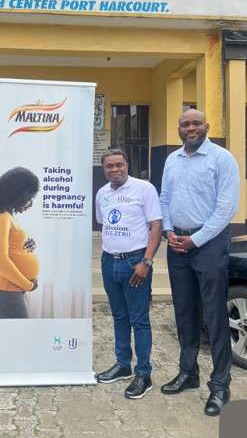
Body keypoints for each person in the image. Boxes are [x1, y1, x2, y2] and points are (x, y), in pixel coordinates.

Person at [160, 108, 240, 416]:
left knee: (214, 314)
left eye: (196, 123)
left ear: (206, 126)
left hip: (208, 244)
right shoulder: (172, 159)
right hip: (177, 244)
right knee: (184, 311)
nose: (190, 127)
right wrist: (169, 230)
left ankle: (220, 385)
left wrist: (197, 239)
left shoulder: (222, 159)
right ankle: (188, 372)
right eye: (185, 124)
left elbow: (226, 207)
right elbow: (165, 198)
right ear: (179, 128)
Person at [95, 149, 162, 399]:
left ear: (127, 164)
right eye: (109, 166)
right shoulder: (102, 193)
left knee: (139, 320)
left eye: (119, 165)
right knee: (119, 316)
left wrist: (147, 261)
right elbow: (104, 223)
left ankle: (143, 374)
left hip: (136, 262)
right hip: (109, 261)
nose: (115, 170)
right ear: (104, 169)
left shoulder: (144, 189)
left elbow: (156, 226)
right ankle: (123, 365)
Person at [0, 167, 39, 318]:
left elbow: (12, 246)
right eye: (29, 198)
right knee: (20, 332)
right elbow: (0, 261)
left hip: (11, 290)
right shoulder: (1, 217)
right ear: (17, 194)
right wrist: (28, 285)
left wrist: (28, 245)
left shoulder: (6, 216)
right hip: (5, 292)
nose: (30, 203)